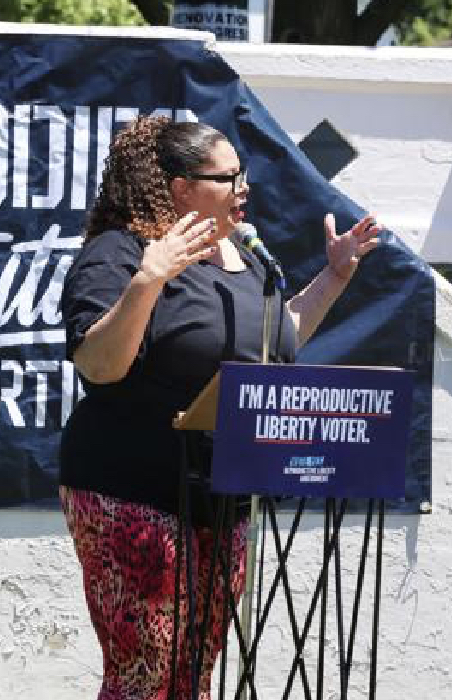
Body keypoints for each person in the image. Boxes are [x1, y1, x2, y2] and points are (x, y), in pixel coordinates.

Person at [59, 115, 380, 700]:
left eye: (243, 175)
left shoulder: (247, 258)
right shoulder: (121, 252)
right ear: (181, 187)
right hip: (131, 490)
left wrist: (333, 278)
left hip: (219, 495)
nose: (243, 188)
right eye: (227, 176)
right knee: (146, 673)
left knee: (192, 676)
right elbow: (99, 365)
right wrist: (147, 281)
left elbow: (275, 341)